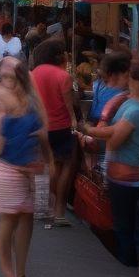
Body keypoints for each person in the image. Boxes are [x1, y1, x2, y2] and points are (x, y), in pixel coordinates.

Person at [0, 56, 51, 277]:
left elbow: (43, 131)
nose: (7, 79)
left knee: (25, 219)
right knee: (11, 218)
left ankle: (20, 274)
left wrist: (44, 162)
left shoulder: (29, 98)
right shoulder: (0, 95)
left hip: (27, 168)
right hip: (11, 168)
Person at [82, 59, 139, 275]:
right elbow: (114, 133)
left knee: (124, 225)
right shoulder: (130, 102)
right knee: (126, 222)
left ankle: (126, 267)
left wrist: (90, 130)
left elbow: (115, 140)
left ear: (134, 80)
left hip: (128, 175)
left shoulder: (135, 109)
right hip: (124, 172)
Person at [29, 38, 78, 227]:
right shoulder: (63, 76)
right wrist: (75, 123)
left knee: (44, 166)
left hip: (39, 127)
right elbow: (69, 106)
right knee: (65, 165)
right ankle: (59, 211)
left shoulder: (33, 74)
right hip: (61, 127)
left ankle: (42, 207)